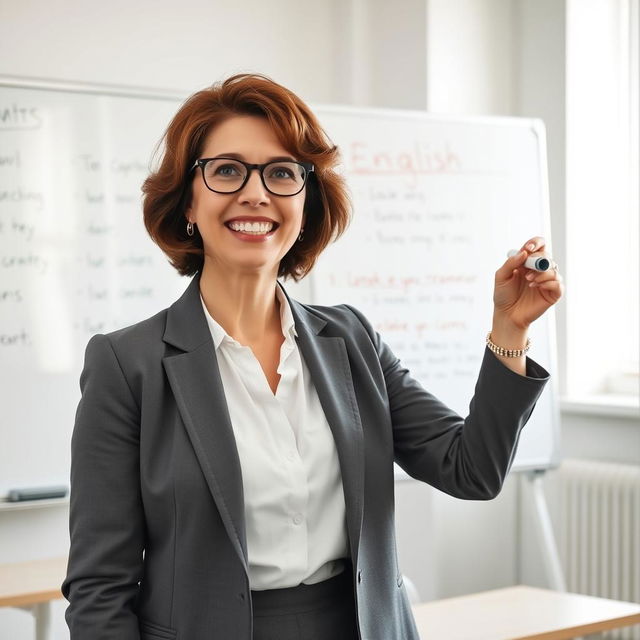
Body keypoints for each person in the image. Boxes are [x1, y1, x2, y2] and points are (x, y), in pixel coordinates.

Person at [61, 73, 564, 640]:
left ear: (305, 204)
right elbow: (100, 589)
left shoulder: (352, 342)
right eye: (227, 170)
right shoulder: (127, 365)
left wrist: (510, 328)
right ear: (187, 203)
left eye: (281, 173)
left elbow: (471, 470)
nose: (256, 193)